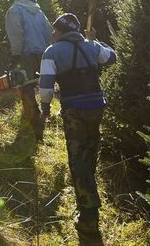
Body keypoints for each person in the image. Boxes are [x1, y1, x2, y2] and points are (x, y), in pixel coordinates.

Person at [38, 13, 116, 246]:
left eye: (55, 29)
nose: (52, 33)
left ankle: (88, 217)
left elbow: (46, 85)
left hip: (74, 110)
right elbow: (112, 57)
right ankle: (89, 196)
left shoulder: (52, 51)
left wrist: (45, 107)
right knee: (90, 151)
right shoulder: (91, 46)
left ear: (61, 31)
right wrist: (95, 41)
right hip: (96, 106)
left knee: (77, 159)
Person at [5, 0, 53, 141]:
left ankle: (34, 124)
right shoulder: (40, 12)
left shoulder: (14, 10)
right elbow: (49, 33)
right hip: (43, 54)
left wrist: (16, 54)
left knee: (25, 87)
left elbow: (16, 34)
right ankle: (33, 117)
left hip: (25, 54)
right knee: (40, 84)